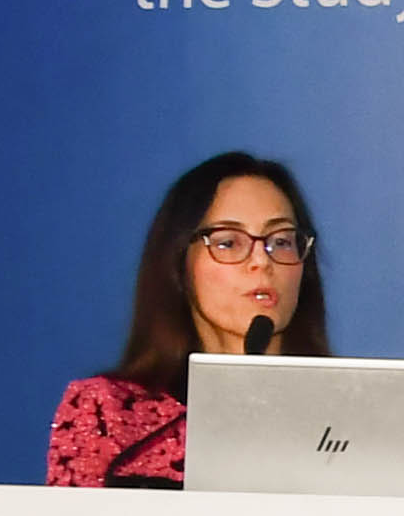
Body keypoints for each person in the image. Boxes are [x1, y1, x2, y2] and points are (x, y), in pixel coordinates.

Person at [48, 152, 333, 489]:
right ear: (179, 264)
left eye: (281, 241)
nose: (261, 261)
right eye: (229, 242)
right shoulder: (108, 413)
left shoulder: (345, 417)